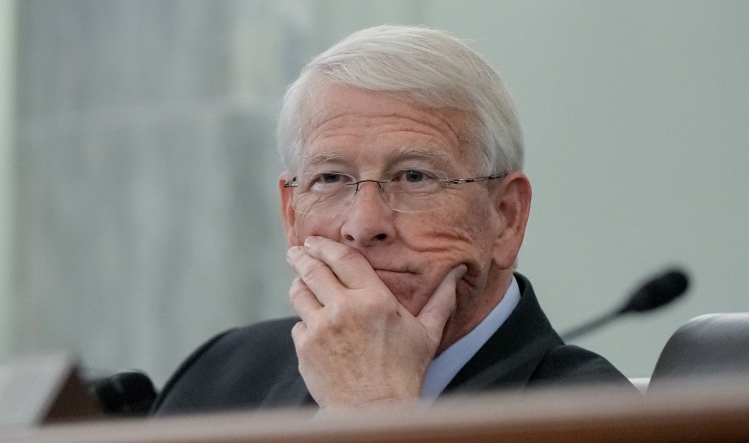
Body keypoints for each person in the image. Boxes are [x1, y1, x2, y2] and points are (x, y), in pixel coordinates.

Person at [153, 24, 632, 415]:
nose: (363, 225)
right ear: (291, 213)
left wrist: (372, 410)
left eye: (414, 176)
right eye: (331, 178)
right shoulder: (223, 376)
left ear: (505, 218)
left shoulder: (596, 416)